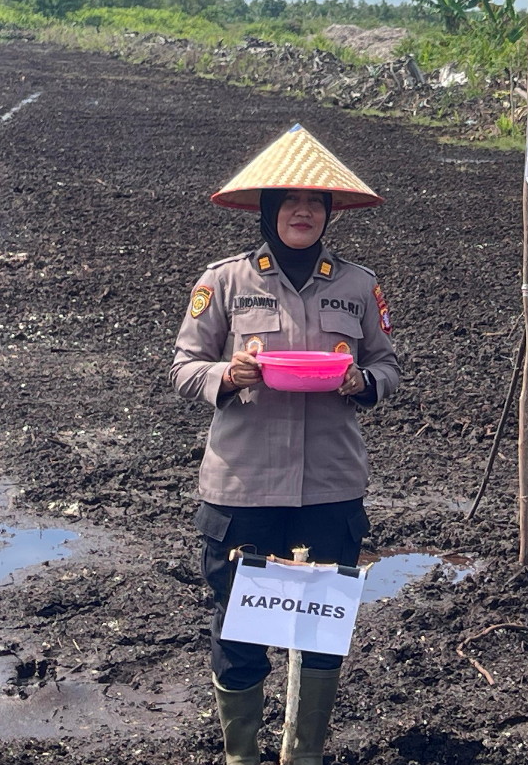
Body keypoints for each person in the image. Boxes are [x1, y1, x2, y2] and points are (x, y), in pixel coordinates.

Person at [171, 124, 400, 765]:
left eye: (315, 202)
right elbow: (184, 365)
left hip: (330, 486)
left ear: (329, 213)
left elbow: (388, 366)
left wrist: (362, 381)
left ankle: (303, 754)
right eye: (288, 201)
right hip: (243, 486)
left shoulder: (357, 286)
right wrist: (227, 374)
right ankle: (243, 755)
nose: (302, 212)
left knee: (321, 628)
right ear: (268, 210)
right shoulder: (223, 281)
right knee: (240, 629)